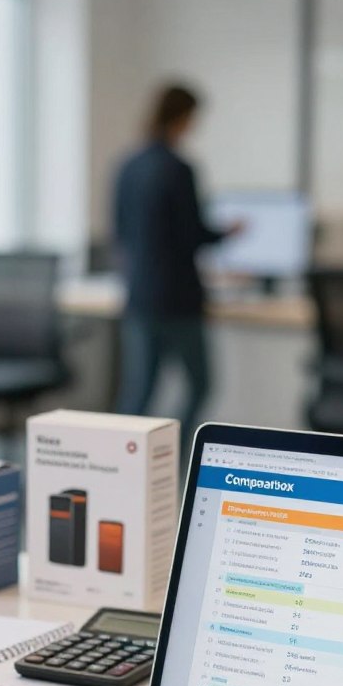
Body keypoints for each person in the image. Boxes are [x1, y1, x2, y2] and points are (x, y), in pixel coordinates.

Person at [113, 83, 240, 456]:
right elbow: (193, 235)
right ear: (184, 118)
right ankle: (176, 461)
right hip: (178, 299)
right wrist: (228, 232)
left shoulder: (128, 166)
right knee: (201, 385)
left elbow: (120, 231)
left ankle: (122, 469)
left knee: (138, 395)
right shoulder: (178, 169)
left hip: (139, 295)